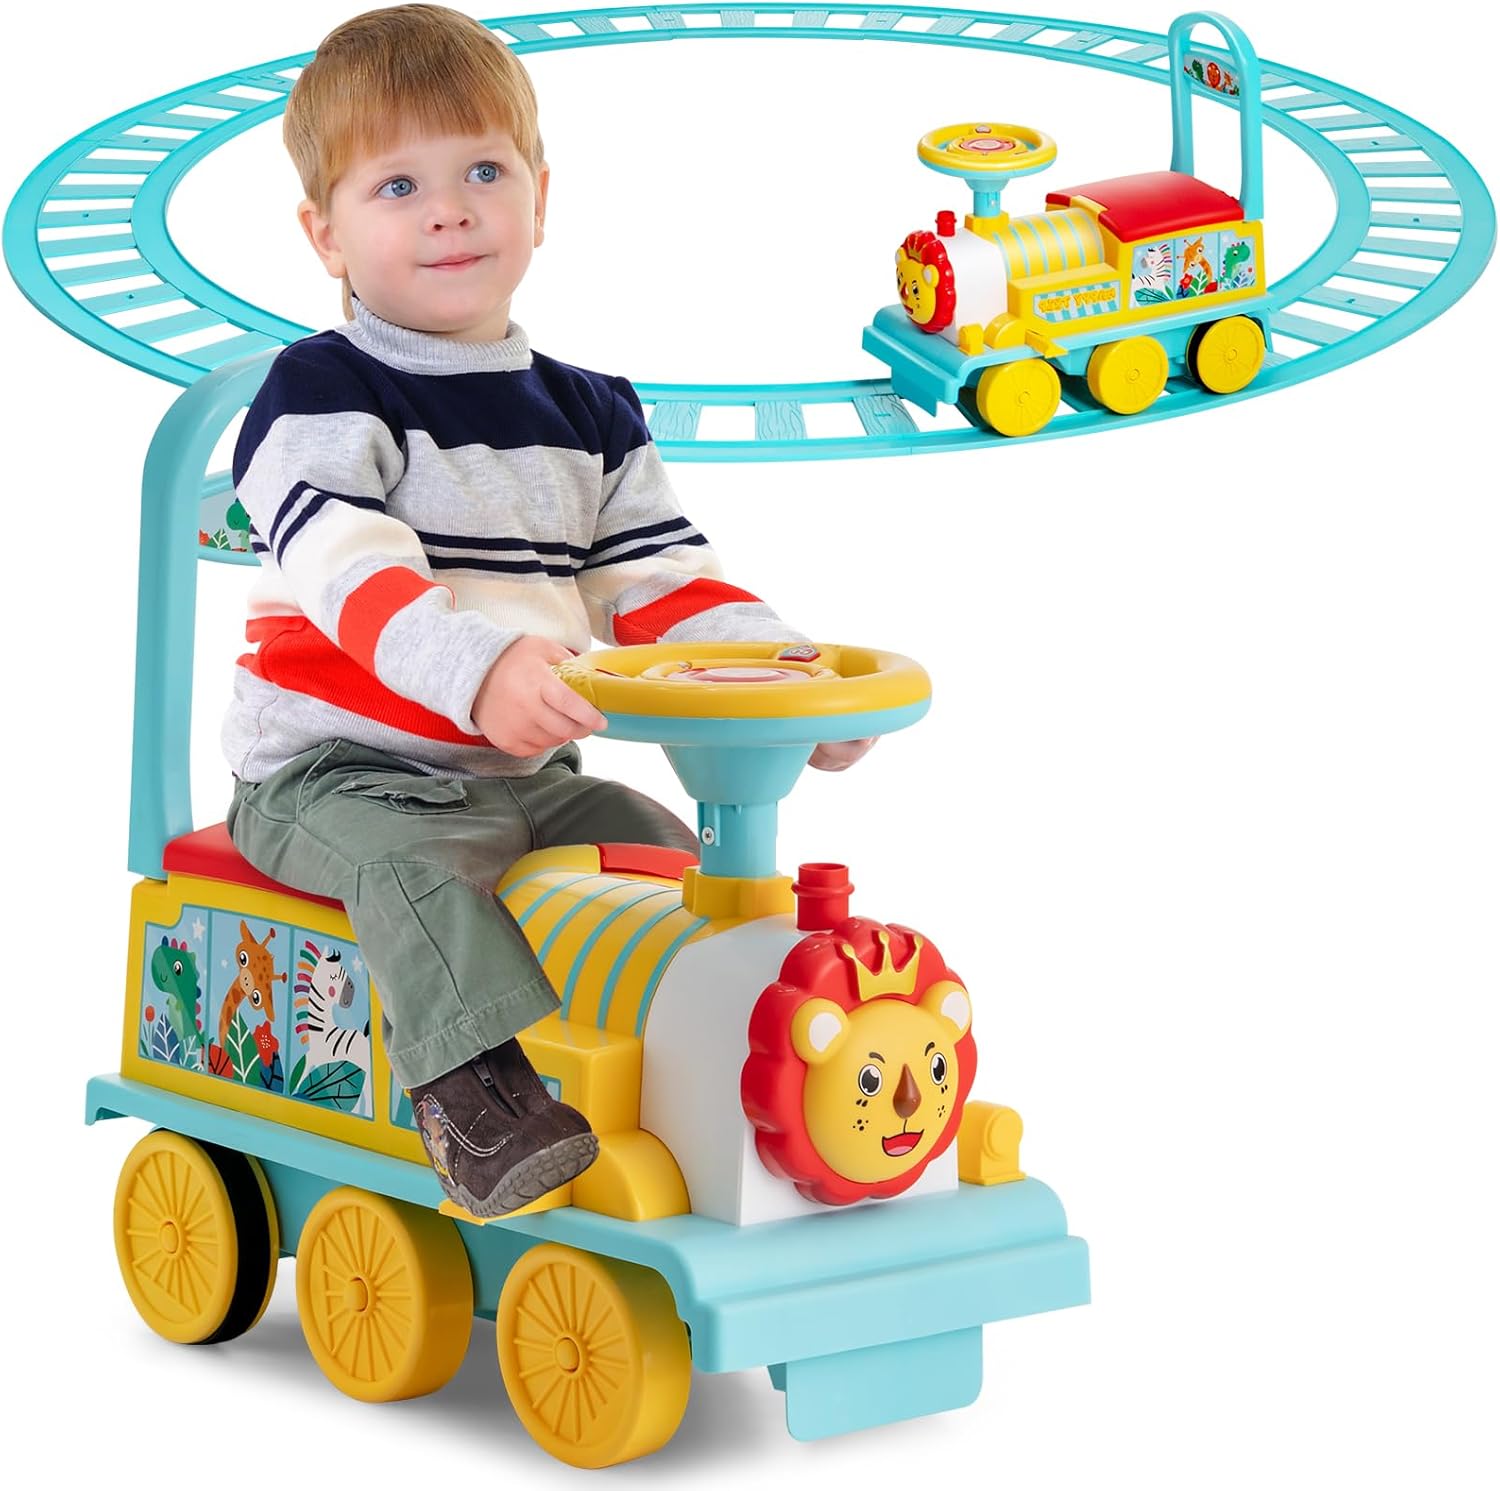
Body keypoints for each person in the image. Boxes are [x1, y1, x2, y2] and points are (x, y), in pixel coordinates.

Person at [221, 3, 874, 1218]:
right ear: (325, 234)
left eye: (483, 171)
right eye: (398, 185)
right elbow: (354, 572)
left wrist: (786, 677)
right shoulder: (317, 394)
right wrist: (480, 669)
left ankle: (716, 1089)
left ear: (540, 196)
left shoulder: (591, 412)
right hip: (338, 775)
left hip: (524, 773)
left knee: (666, 858)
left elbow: (661, 581)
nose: (449, 210)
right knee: (417, 875)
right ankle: (476, 1106)